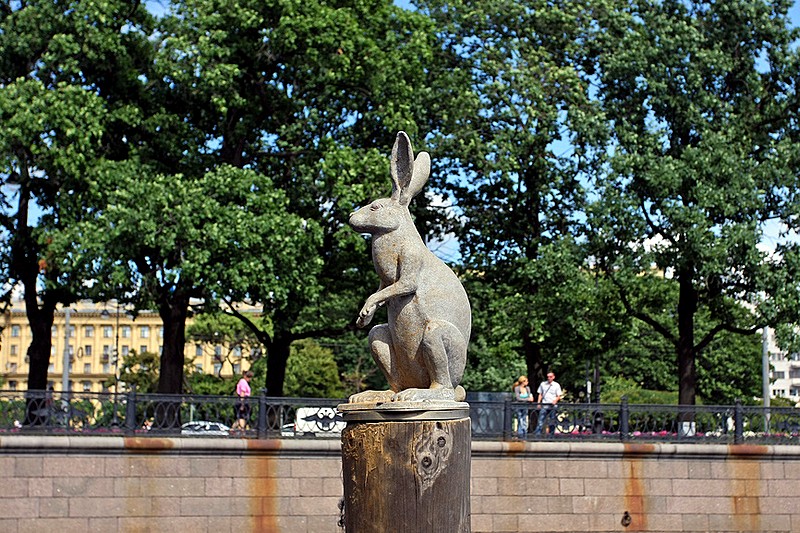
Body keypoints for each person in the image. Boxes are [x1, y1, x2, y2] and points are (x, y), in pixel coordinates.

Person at [535, 371, 562, 436]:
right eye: (548, 377)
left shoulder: (556, 385)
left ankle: (551, 435)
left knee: (552, 421)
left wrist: (555, 400)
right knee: (541, 420)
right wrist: (538, 403)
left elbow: (559, 396)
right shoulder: (543, 384)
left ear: (553, 377)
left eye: (550, 377)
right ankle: (537, 435)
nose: (549, 378)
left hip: (553, 405)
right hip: (544, 404)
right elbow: (540, 394)